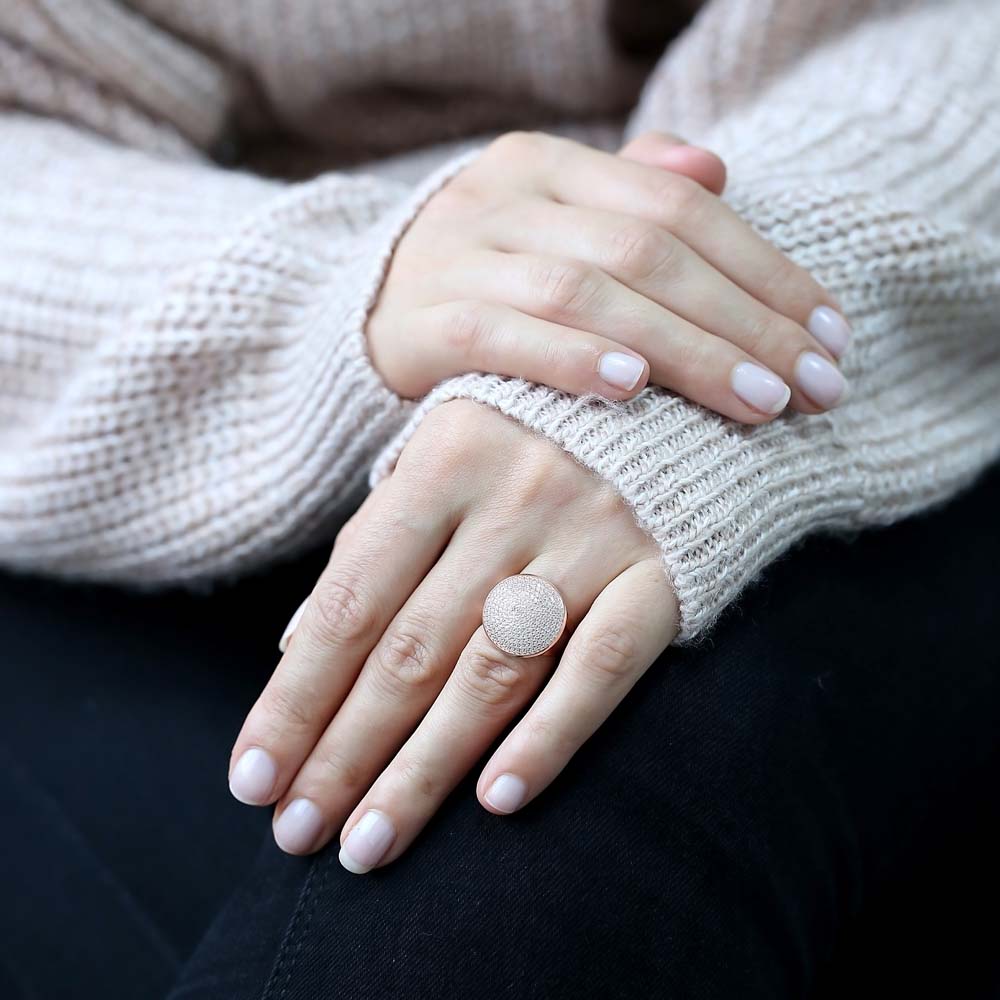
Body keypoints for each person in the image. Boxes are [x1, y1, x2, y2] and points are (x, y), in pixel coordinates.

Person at [0, 0, 997, 997]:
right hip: (155, 403)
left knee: (586, 729)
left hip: (895, 314)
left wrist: (742, 286)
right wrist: (350, 283)